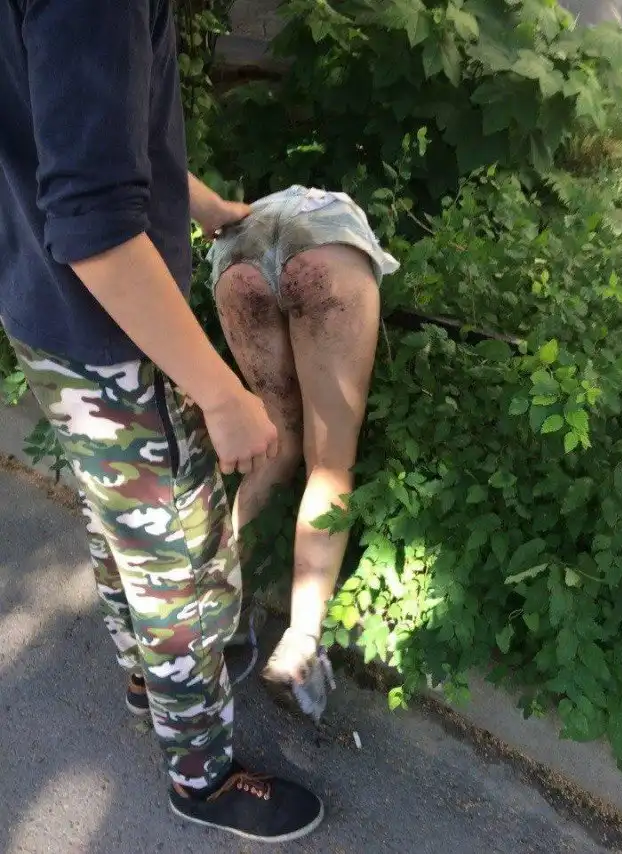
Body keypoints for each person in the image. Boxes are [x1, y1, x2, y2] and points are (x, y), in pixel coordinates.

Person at [0, 0, 324, 843]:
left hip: (43, 308)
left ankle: (151, 679)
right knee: (179, 562)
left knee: (124, 521)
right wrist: (221, 395)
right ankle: (201, 778)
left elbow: (83, 135)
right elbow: (97, 233)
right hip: (114, 332)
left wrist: (205, 205)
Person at [208, 186, 399, 719]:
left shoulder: (255, 208)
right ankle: (298, 646)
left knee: (275, 445)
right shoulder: (337, 211)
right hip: (326, 242)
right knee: (330, 461)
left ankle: (220, 610)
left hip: (240, 251)